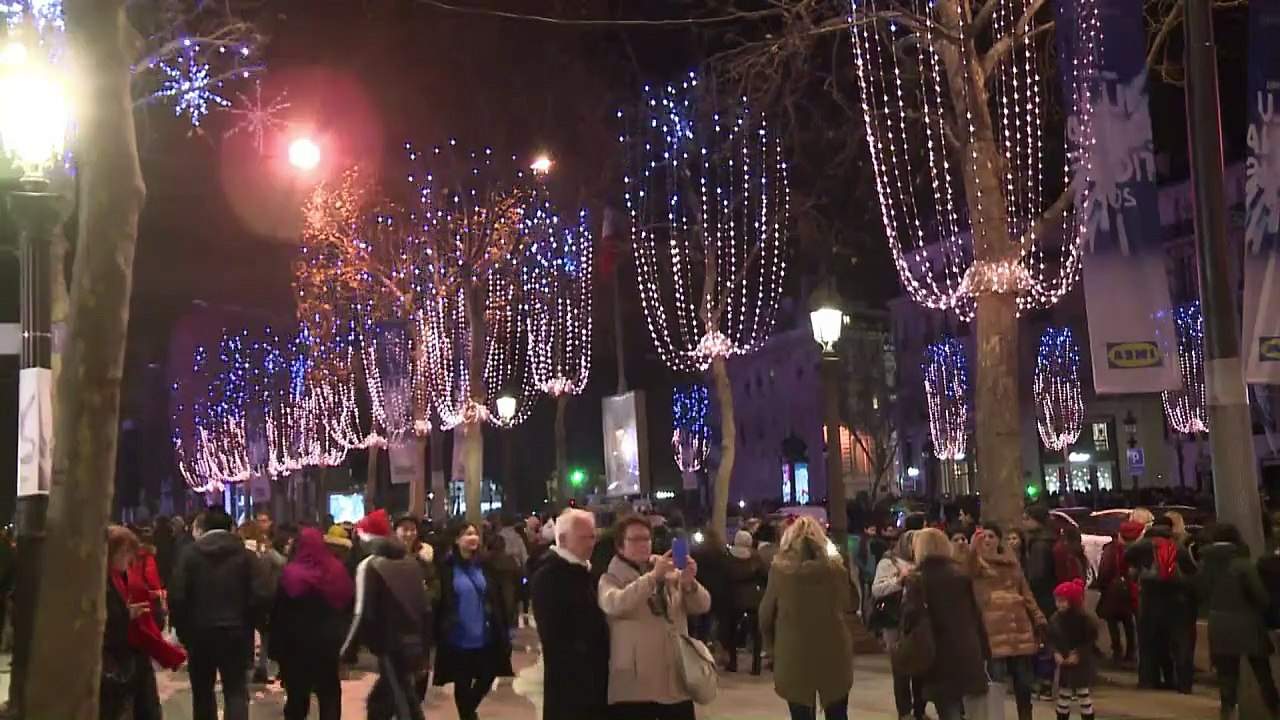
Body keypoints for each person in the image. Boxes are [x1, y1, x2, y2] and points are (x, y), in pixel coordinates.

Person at [599, 514, 712, 720]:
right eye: (635, 540)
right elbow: (615, 603)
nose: (643, 544)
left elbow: (703, 605)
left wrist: (689, 583)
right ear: (620, 546)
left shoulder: (667, 572)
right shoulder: (611, 577)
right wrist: (651, 578)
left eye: (646, 538)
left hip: (675, 679)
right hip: (635, 687)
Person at [169, 509, 270, 720]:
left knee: (203, 693)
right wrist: (250, 623)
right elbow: (261, 595)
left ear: (202, 528)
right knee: (235, 691)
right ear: (231, 528)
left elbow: (177, 596)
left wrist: (184, 631)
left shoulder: (189, 556)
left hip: (199, 634)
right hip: (236, 634)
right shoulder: (246, 557)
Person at [759, 516, 854, 720]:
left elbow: (765, 614)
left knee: (801, 713)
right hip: (834, 650)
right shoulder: (836, 569)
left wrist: (770, 647)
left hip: (793, 652)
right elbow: (850, 603)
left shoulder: (780, 572)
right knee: (837, 712)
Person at [343, 509, 434, 720]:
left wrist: (347, 653)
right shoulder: (411, 562)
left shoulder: (369, 565)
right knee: (385, 701)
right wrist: (426, 649)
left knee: (403, 702)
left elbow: (362, 613)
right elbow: (425, 608)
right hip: (415, 642)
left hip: (390, 645)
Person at [900, 528, 990, 720]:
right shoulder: (960, 577)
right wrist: (985, 651)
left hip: (938, 654)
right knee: (962, 707)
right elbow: (975, 616)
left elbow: (910, 619)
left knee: (948, 709)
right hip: (967, 650)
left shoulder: (917, 579)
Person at [530, 509, 610, 720]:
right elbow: (554, 634)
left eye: (593, 537)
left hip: (593, 680)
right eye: (584, 538)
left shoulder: (585, 571)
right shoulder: (549, 576)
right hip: (571, 683)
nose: (591, 543)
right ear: (563, 539)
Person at [102, 525, 187, 720]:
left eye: (128, 552)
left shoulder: (127, 576)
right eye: (121, 552)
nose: (126, 557)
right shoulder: (104, 581)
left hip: (134, 655)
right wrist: (126, 615)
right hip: (116, 657)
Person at [1197, 523, 1280, 719]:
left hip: (1218, 625)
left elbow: (1199, 593)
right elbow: (1260, 596)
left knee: (1227, 677)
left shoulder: (1205, 565)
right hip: (1248, 625)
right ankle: (1274, 710)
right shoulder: (1242, 564)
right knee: (1263, 673)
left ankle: (1228, 713)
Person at [433, 523, 515, 720]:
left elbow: (498, 594)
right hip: (459, 636)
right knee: (462, 682)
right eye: (467, 534)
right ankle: (467, 716)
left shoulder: (486, 565)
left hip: (485, 633)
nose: (473, 538)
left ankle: (468, 712)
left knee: (488, 674)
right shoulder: (447, 567)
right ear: (456, 539)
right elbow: (441, 599)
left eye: (475, 534)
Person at [271, 527, 354, 720]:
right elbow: (348, 603)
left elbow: (278, 615)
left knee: (297, 696)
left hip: (295, 646)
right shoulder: (337, 571)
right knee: (329, 693)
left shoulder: (291, 574)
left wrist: (276, 651)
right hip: (328, 643)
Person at [968, 525, 1045, 720]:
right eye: (983, 536)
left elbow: (1026, 594)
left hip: (1019, 628)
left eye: (992, 536)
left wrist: (1039, 618)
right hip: (993, 632)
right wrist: (972, 548)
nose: (987, 540)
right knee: (996, 683)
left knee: (1023, 683)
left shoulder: (1012, 564)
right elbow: (967, 569)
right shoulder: (976, 565)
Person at [1126, 515, 1197, 691]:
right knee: (1179, 642)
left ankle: (1149, 680)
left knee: (1148, 642)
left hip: (1150, 599)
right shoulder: (1178, 547)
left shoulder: (1143, 545)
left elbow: (1127, 556)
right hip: (1176, 600)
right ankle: (1183, 683)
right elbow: (1191, 571)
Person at [872, 530, 926, 720]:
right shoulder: (889, 562)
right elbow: (877, 589)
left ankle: (920, 709)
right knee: (900, 667)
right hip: (895, 620)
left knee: (920, 666)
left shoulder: (923, 563)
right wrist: (900, 580)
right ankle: (904, 711)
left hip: (916, 620)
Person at [1048, 579, 1097, 720]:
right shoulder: (1055, 620)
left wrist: (1078, 654)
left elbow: (1089, 641)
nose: (1059, 604)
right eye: (1058, 600)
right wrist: (1055, 653)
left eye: (1063, 601)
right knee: (1064, 695)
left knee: (1083, 695)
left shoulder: (1084, 620)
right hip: (1064, 663)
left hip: (1081, 665)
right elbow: (1050, 640)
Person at [1095, 521, 1143, 663]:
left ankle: (1117, 651)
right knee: (1128, 621)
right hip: (1130, 588)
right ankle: (1131, 652)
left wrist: (1101, 584)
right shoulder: (1137, 548)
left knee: (1113, 621)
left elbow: (1105, 569)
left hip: (1114, 590)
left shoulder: (1112, 549)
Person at [721, 530, 766, 674]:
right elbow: (764, 576)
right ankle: (756, 665)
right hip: (753, 599)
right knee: (755, 633)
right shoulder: (756, 557)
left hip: (734, 598)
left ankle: (733, 663)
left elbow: (725, 575)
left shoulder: (728, 557)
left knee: (732, 631)